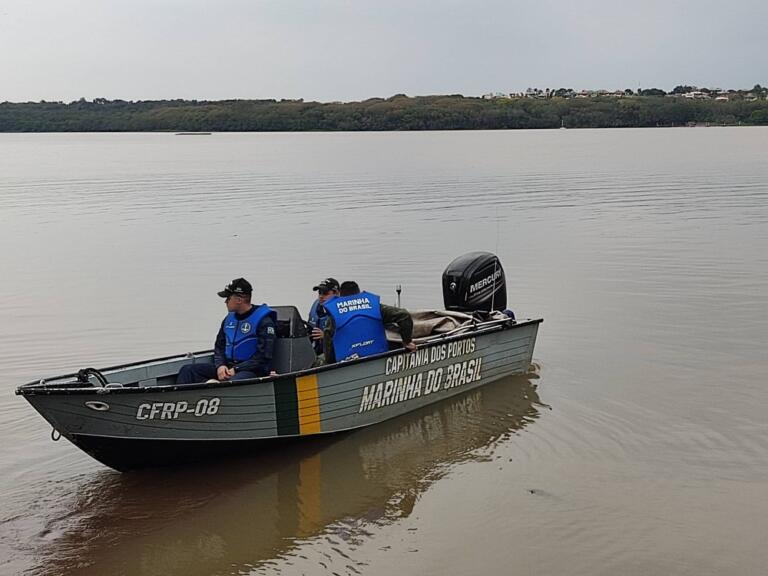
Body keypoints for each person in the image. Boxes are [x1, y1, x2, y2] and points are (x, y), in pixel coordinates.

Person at [176, 278, 277, 384]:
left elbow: (263, 357)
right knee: (188, 370)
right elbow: (219, 346)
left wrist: (237, 369)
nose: (225, 301)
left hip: (252, 371)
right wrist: (220, 365)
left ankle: (212, 385)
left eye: (228, 298)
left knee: (232, 383)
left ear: (239, 300)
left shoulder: (264, 322)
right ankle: (184, 396)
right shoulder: (229, 319)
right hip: (228, 367)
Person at [322, 281, 416, 363]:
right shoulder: (374, 306)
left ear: (341, 295)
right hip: (378, 354)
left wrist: (330, 363)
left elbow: (328, 338)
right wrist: (407, 341)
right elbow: (404, 315)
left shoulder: (334, 314)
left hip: (346, 361)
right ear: (358, 293)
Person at [308, 277, 339, 356]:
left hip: (333, 354)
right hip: (314, 350)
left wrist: (325, 336)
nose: (321, 296)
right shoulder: (316, 306)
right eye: (320, 293)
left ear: (337, 293)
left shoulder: (341, 311)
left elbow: (346, 338)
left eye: (325, 293)